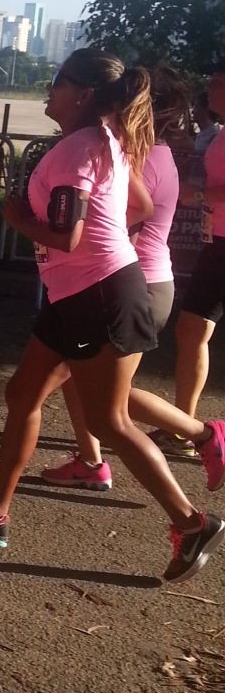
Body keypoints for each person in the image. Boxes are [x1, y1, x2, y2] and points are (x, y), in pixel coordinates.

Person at [0, 49, 225, 586]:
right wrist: (104, 233)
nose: (50, 89)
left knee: (108, 421)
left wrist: (17, 217)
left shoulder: (77, 149)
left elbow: (65, 236)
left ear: (84, 94)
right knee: (24, 393)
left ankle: (192, 523)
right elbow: (139, 207)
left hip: (100, 295)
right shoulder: (105, 141)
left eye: (59, 81)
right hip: (79, 292)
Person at [41, 67, 216, 489]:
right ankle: (91, 460)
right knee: (80, 380)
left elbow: (127, 218)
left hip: (133, 284)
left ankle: (203, 437)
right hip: (132, 282)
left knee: (105, 399)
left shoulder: (146, 158)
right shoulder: (147, 153)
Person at [151, 63, 225, 449]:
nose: (209, 87)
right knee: (192, 329)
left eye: (218, 82)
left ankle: (186, 428)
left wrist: (196, 196)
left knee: (192, 329)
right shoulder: (220, 133)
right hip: (218, 242)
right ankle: (183, 426)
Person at [192, 89, 221, 156]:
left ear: (205, 109)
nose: (193, 111)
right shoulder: (201, 134)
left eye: (196, 106)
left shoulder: (214, 136)